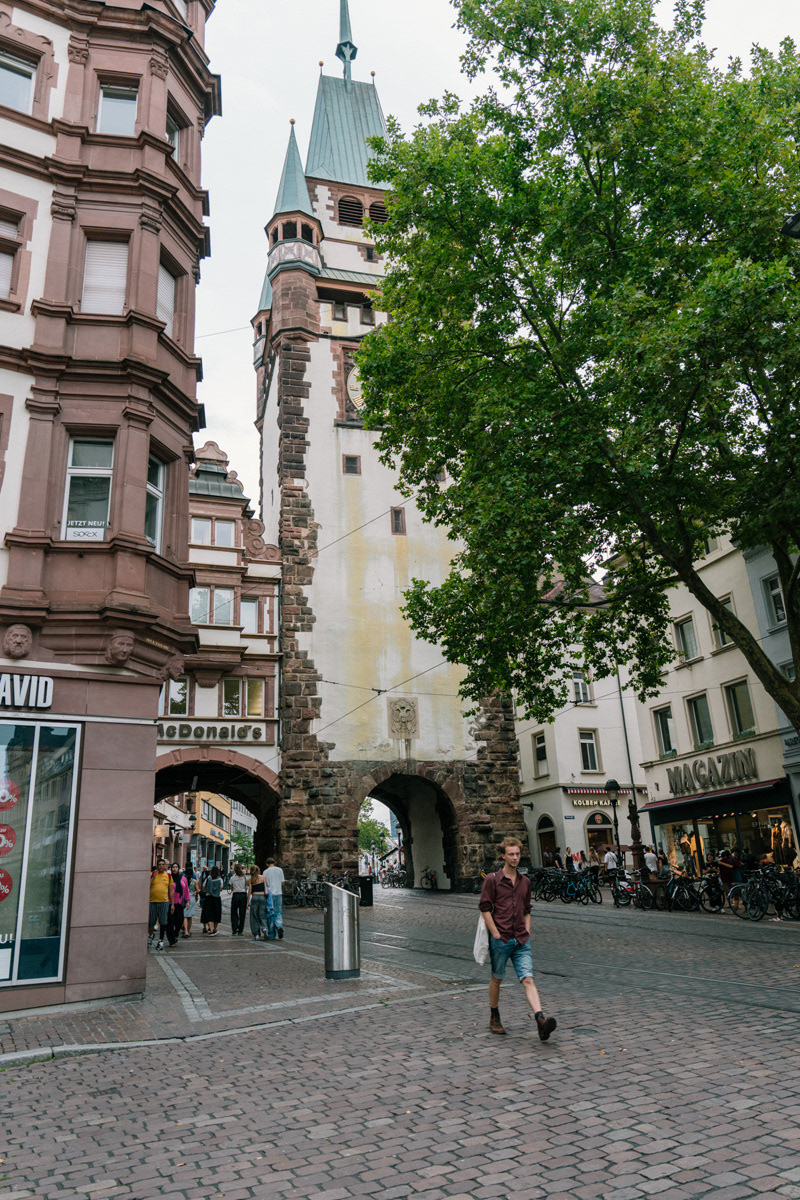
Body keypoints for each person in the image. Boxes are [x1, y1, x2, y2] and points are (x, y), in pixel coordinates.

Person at [478, 837, 557, 1042]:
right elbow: (485, 908)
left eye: (517, 854)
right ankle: (494, 1015)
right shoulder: (492, 880)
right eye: (511, 854)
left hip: (521, 940)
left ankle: (540, 1020)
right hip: (501, 938)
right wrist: (495, 933)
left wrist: (527, 931)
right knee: (497, 978)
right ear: (503, 856)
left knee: (528, 979)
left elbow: (527, 910)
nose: (515, 857)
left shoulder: (525, 882)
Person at [148, 858, 173, 951]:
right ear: (157, 866)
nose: (161, 866)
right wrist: (153, 878)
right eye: (159, 864)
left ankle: (161, 940)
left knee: (163, 922)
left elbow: (171, 890)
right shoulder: (152, 874)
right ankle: (150, 935)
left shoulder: (168, 876)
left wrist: (172, 904)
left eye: (163, 864)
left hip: (164, 902)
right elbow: (147, 886)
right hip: (152, 902)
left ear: (165, 866)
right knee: (151, 922)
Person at [248, 865, 273, 940]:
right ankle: (264, 928)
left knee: (254, 916)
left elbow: (249, 891)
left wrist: (247, 902)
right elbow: (266, 886)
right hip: (262, 897)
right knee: (263, 914)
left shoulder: (251, 879)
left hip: (255, 897)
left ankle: (256, 934)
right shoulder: (263, 877)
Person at [167, 863, 189, 946]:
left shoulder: (183, 878)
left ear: (178, 868)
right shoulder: (169, 878)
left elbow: (186, 890)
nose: (174, 869)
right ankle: (171, 940)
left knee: (179, 921)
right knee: (170, 922)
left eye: (176, 867)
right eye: (173, 867)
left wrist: (187, 901)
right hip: (170, 902)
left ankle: (176, 933)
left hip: (179, 903)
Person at [264, 857, 285, 940]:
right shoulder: (280, 870)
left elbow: (265, 884)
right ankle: (279, 926)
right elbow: (283, 883)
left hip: (270, 895)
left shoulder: (265, 872)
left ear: (267, 864)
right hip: (279, 893)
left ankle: (271, 934)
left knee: (271, 914)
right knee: (278, 912)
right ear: (274, 863)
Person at [201, 866, 223, 936]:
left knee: (209, 914)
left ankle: (211, 929)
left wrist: (209, 889)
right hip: (217, 898)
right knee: (217, 914)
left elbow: (203, 888)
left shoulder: (208, 878)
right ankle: (215, 929)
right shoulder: (220, 879)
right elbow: (221, 889)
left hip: (208, 898)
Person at [229, 863, 248, 935]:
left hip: (236, 895)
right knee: (242, 913)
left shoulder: (232, 878)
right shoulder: (245, 877)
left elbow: (231, 888)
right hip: (243, 895)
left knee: (234, 911)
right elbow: (246, 886)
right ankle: (240, 930)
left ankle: (234, 927)